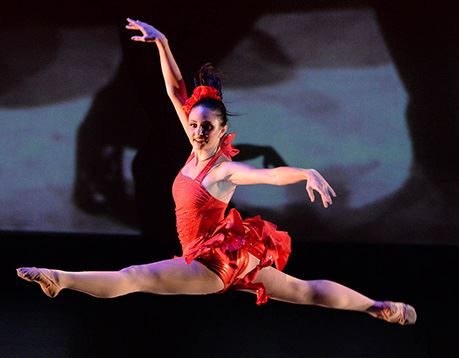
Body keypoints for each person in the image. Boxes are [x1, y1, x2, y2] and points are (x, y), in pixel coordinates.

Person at [16, 18, 417, 326]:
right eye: (193, 124)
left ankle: (60, 278)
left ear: (222, 130)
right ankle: (380, 307)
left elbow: (266, 176)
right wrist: (163, 44)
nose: (197, 130)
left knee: (137, 276)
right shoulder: (195, 146)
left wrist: (304, 172)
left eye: (206, 126)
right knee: (303, 290)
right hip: (232, 252)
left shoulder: (222, 169)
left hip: (213, 262)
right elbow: (176, 92)